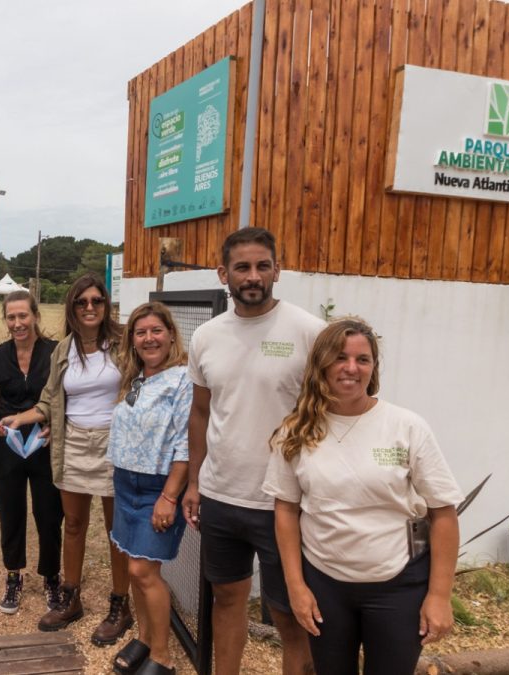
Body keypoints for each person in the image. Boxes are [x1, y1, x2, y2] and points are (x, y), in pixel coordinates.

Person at [264, 318, 462, 674]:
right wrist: (296, 587)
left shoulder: (406, 427)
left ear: (374, 367)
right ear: (321, 363)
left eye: (363, 359)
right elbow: (285, 511)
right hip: (324, 584)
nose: (351, 368)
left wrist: (439, 595)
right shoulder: (295, 432)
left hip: (398, 586)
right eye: (340, 357)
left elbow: (443, 513)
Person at [181, 227, 324, 675]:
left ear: (277, 270)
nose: (253, 276)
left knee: (289, 614)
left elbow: (329, 416)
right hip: (221, 495)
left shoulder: (310, 333)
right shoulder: (206, 337)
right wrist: (192, 483)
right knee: (227, 598)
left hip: (283, 502)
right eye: (242, 267)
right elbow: (201, 414)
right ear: (224, 273)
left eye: (263, 265)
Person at [0, 273, 132, 646]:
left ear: (106, 305)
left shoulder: (122, 344)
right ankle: (71, 597)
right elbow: (48, 401)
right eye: (81, 302)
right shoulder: (65, 350)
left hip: (115, 444)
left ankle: (120, 604)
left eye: (96, 301)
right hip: (72, 441)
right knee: (72, 524)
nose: (89, 307)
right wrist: (18, 418)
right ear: (72, 307)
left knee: (116, 531)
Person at [108, 302, 192, 675]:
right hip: (126, 483)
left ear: (171, 334)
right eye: (140, 332)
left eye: (156, 330)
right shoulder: (136, 377)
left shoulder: (183, 380)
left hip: (158, 487)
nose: (149, 338)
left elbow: (186, 443)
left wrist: (169, 496)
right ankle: (144, 638)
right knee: (132, 566)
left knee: (144, 572)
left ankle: (163, 657)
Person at [0, 290, 64, 615]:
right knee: (10, 512)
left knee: (49, 514)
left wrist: (58, 424)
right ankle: (13, 576)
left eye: (23, 316)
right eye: (11, 317)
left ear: (36, 316)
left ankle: (51, 577)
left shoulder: (57, 353)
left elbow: (66, 396)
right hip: (7, 443)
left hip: (45, 444)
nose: (17, 323)